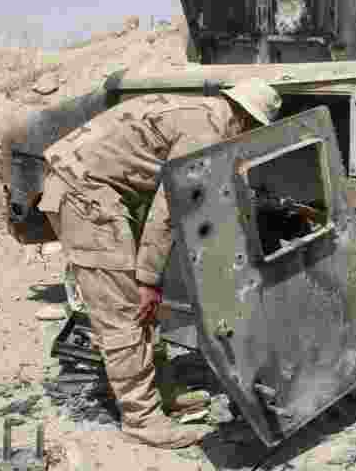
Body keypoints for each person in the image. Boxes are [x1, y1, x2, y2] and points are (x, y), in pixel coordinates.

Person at [34, 78, 282, 449]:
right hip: (85, 193)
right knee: (124, 311)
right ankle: (142, 418)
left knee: (143, 303)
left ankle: (161, 391)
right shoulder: (208, 133)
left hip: (99, 187)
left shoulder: (203, 111)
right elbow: (168, 211)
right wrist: (149, 279)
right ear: (249, 121)